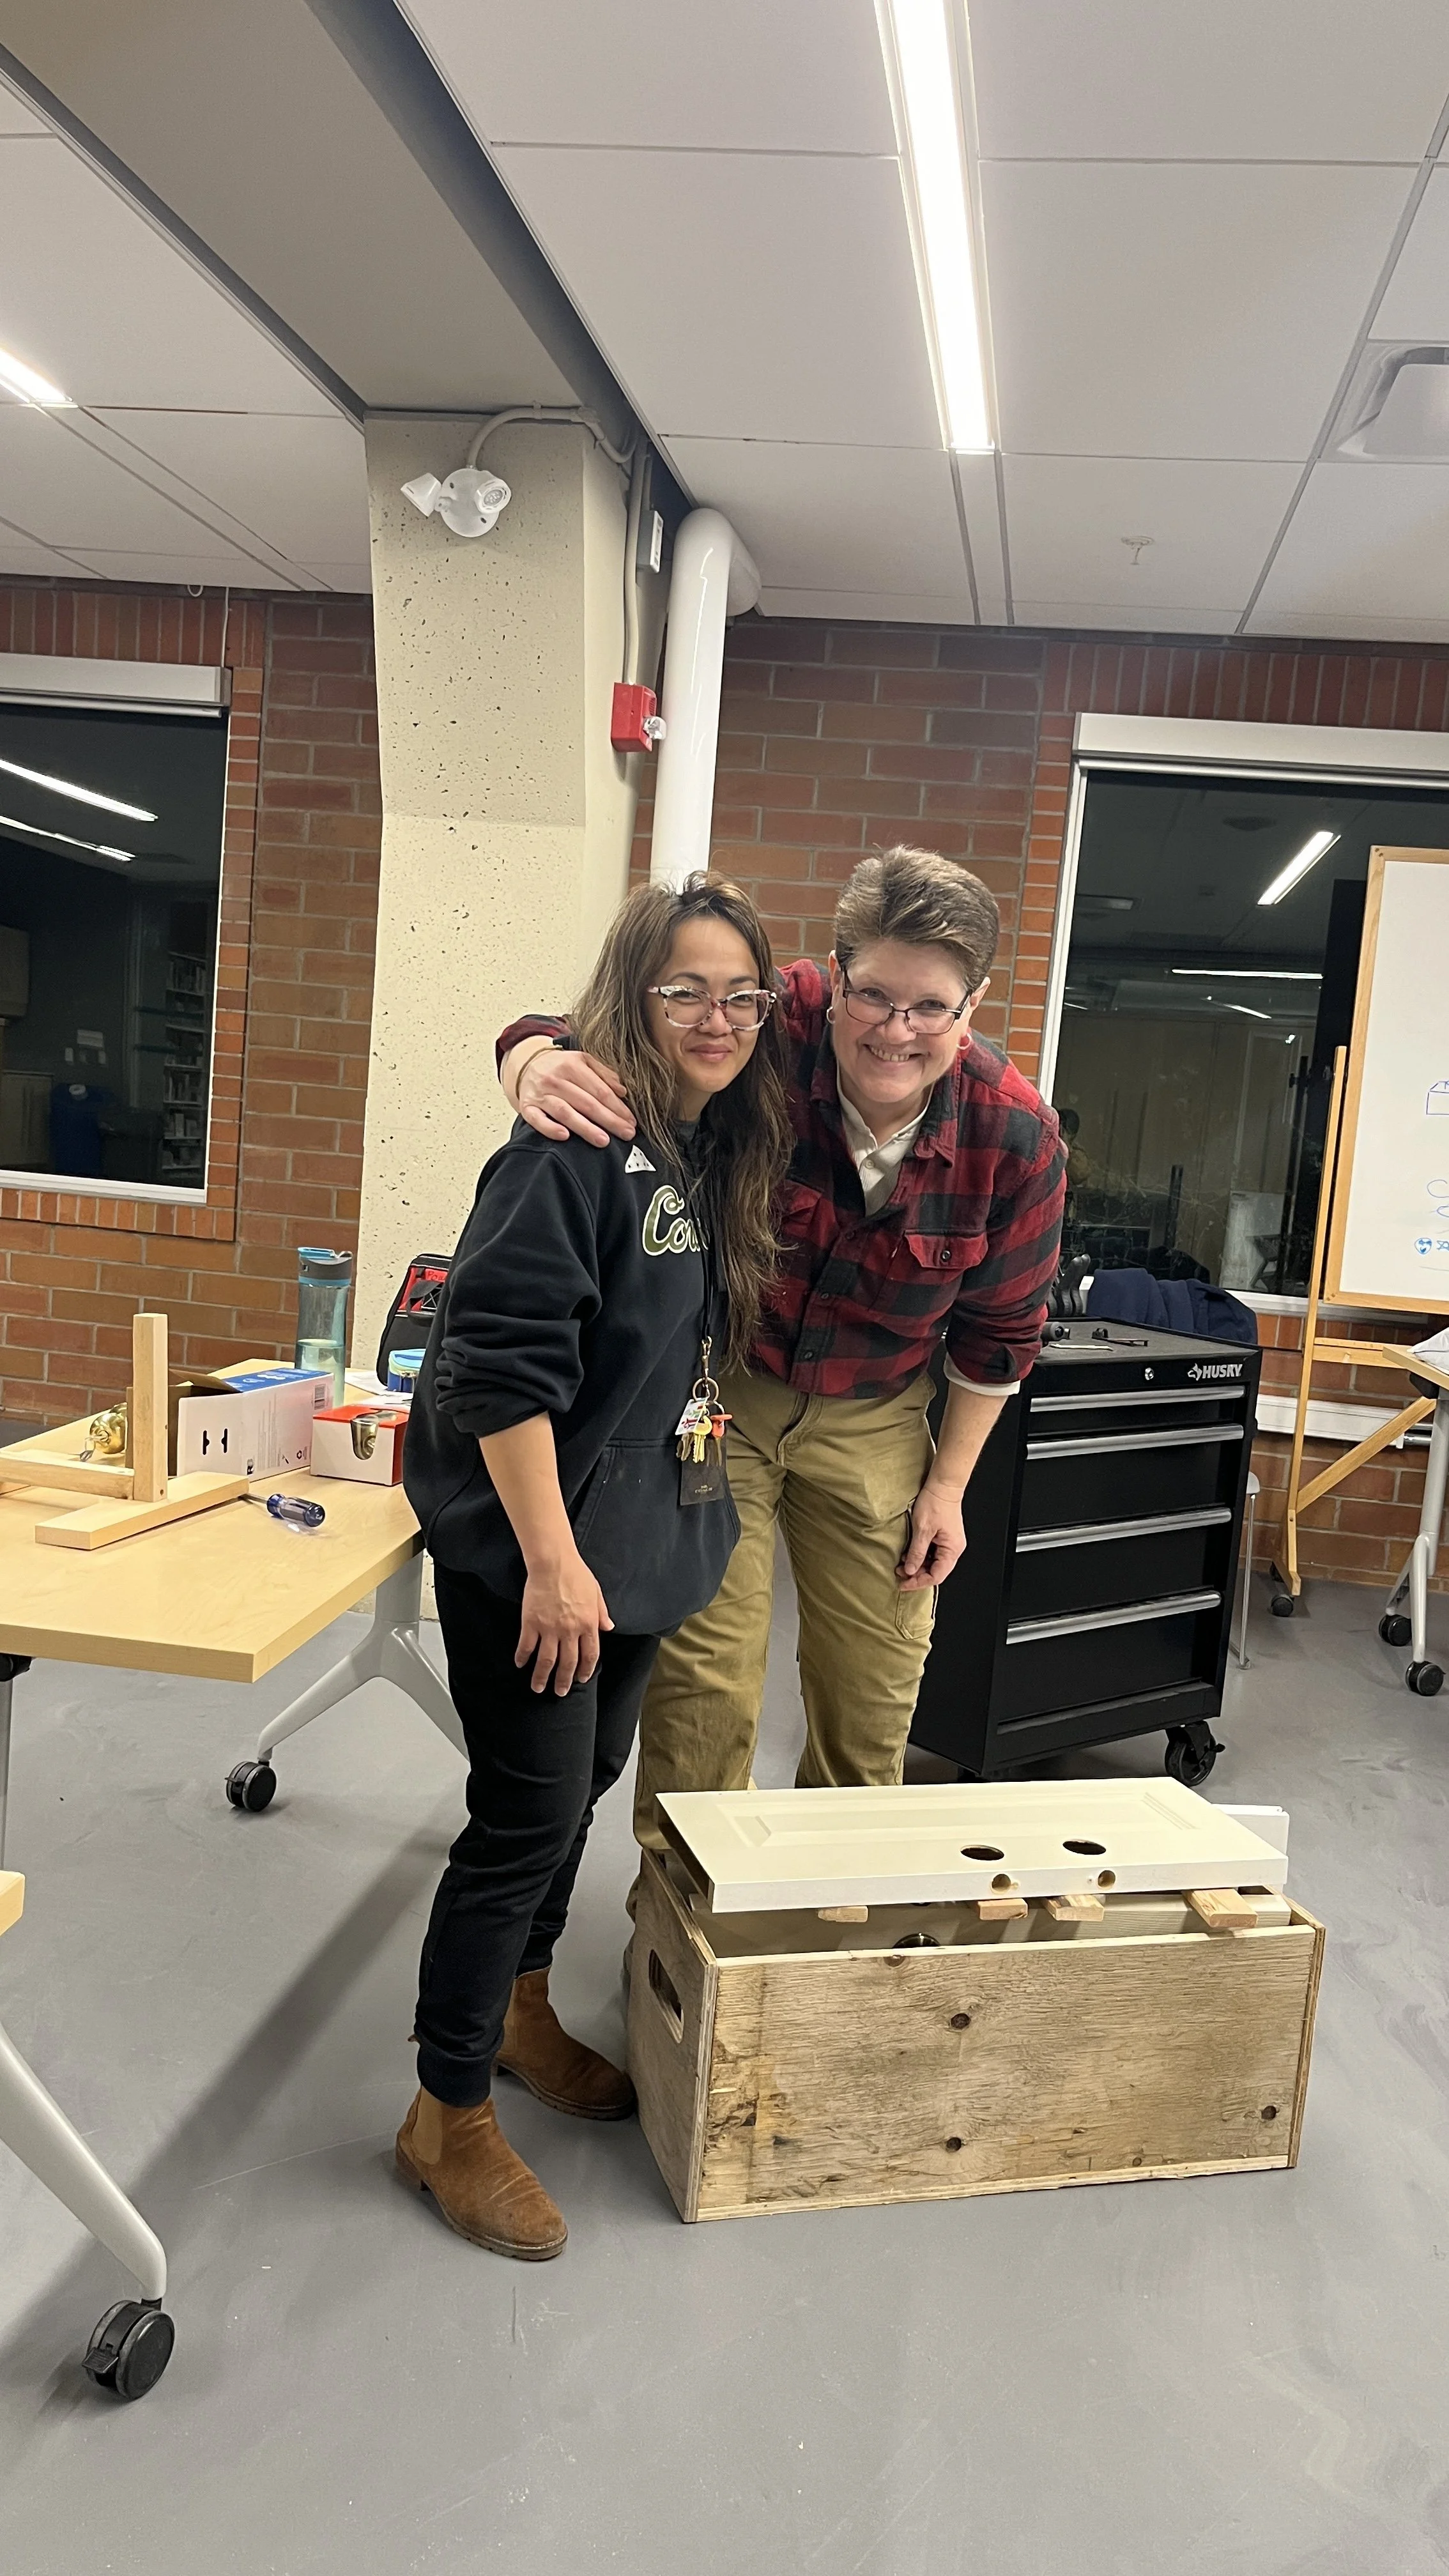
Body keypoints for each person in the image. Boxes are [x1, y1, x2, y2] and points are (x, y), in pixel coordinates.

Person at [498, 845, 1066, 1876]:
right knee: (704, 1678)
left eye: (930, 1008)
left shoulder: (1016, 1139)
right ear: (835, 977)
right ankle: (682, 1920)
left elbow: (999, 1336)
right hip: (726, 1396)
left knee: (875, 1682)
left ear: (973, 1006)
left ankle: (829, 1919)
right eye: (874, 995)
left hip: (881, 1416)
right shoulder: (773, 1019)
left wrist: (947, 1489)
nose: (895, 1031)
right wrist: (532, 1061)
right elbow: (598, 1027)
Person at [397, 873, 791, 2260]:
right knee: (521, 1817)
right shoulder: (564, 1149)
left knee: (581, 1789)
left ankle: (519, 2013)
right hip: (539, 1550)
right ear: (632, 994)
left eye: (741, 995)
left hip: (630, 1536)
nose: (718, 1018)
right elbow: (497, 1369)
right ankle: (444, 2114)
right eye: (686, 990)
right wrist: (554, 1568)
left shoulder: (703, 1142)